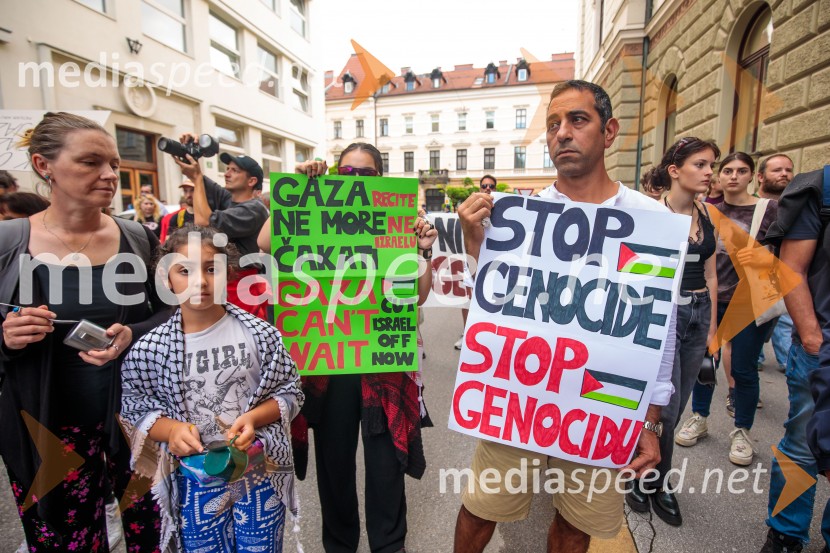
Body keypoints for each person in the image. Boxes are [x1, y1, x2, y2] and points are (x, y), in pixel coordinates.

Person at [453, 80, 676, 553]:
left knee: (577, 526)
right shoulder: (519, 217)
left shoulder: (649, 219)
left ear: (609, 130)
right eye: (553, 124)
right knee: (480, 509)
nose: (562, 133)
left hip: (601, 408)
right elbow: (494, 312)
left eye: (577, 120)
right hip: (519, 397)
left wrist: (651, 421)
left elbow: (659, 331)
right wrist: (477, 248)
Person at [257, 142, 438, 553]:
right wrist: (297, 189)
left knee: (386, 467)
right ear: (335, 175)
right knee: (334, 468)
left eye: (367, 174)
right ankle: (340, 545)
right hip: (330, 366)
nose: (355, 180)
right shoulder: (312, 211)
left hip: (384, 368)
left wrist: (421, 250)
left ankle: (389, 545)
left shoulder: (400, 220)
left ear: (380, 178)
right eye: (347, 172)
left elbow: (420, 296)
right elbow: (267, 243)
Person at [0, 112, 165, 551]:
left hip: (136, 424)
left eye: (112, 162)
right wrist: (6, 337)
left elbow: (173, 313)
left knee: (155, 534)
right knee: (67, 542)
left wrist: (135, 333)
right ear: (43, 165)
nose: (110, 174)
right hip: (46, 429)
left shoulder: (137, 238)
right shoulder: (8, 242)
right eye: (91, 162)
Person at [120, 226, 303, 553]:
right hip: (193, 478)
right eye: (184, 270)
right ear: (165, 277)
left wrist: (255, 418)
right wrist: (171, 429)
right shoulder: (150, 349)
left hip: (258, 472)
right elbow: (135, 409)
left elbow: (291, 392)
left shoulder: (260, 335)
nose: (199, 281)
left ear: (227, 273)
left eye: (210, 268)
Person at [624, 137, 720, 526]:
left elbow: (712, 273)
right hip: (665, 315)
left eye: (712, 165)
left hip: (699, 312)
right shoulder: (652, 215)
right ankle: (654, 480)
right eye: (701, 164)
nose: (710, 172)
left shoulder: (708, 214)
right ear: (675, 170)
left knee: (676, 406)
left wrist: (712, 329)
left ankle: (645, 470)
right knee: (664, 402)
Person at [677, 152, 778, 466]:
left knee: (744, 369)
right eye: (728, 171)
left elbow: (790, 256)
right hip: (710, 299)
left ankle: (742, 431)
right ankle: (700, 417)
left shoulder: (768, 210)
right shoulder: (706, 210)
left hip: (748, 301)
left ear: (753, 176)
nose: (733, 176)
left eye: (742, 170)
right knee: (705, 363)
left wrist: (764, 259)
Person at [758, 166, 830, 553]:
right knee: (803, 443)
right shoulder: (820, 189)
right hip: (822, 350)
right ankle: (786, 532)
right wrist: (812, 338)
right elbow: (792, 268)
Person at [174, 134, 270, 318]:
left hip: (242, 284)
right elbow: (198, 178)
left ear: (251, 181)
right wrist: (189, 152)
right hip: (225, 280)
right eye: (227, 169)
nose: (226, 173)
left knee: (243, 337)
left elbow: (203, 222)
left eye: (234, 170)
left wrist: (196, 177)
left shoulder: (254, 209)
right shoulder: (229, 200)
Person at [757, 154, 796, 372]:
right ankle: (755, 361)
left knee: (786, 321)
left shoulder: (796, 206)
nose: (784, 174)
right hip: (757, 279)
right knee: (759, 323)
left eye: (788, 170)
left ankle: (787, 363)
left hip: (790, 273)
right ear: (761, 176)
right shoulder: (751, 206)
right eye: (777, 170)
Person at [454, 174, 497, 351]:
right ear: (479, 188)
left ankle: (489, 337)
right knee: (467, 299)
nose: (487, 188)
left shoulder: (503, 207)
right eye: (484, 185)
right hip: (472, 256)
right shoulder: (471, 207)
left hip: (493, 260)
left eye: (491, 186)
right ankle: (467, 333)